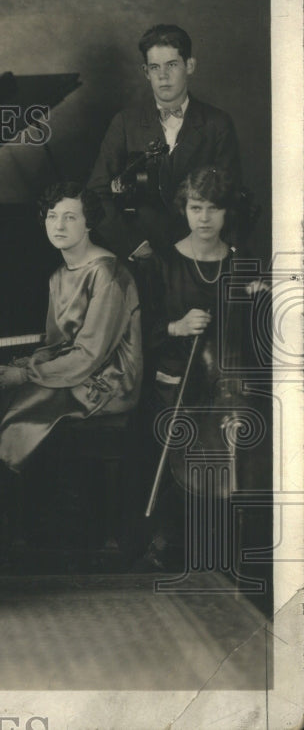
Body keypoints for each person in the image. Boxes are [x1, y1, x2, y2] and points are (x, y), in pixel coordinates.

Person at [136, 166, 265, 571]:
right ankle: (168, 541)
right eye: (196, 207)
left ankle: (234, 541)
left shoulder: (243, 264)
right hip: (175, 381)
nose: (205, 218)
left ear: (227, 214)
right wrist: (176, 326)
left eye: (214, 208)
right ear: (184, 209)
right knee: (176, 439)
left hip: (228, 383)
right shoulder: (161, 264)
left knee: (244, 432)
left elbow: (258, 342)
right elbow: (142, 331)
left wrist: (260, 301)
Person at [0, 183, 143, 471]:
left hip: (108, 378)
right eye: (51, 215)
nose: (58, 225)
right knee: (0, 398)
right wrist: (29, 363)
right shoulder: (59, 275)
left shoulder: (106, 274)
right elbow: (59, 343)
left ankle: (13, 489)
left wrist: (24, 374)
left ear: (88, 224)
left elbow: (90, 354)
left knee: (20, 413)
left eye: (70, 217)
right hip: (78, 367)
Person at [87, 24, 241, 259]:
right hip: (141, 256)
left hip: (200, 254)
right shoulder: (124, 122)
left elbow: (232, 195)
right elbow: (96, 193)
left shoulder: (217, 123)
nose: (163, 75)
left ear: (189, 65)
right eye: (154, 67)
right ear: (146, 72)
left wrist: (218, 251)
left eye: (172, 65)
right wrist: (134, 246)